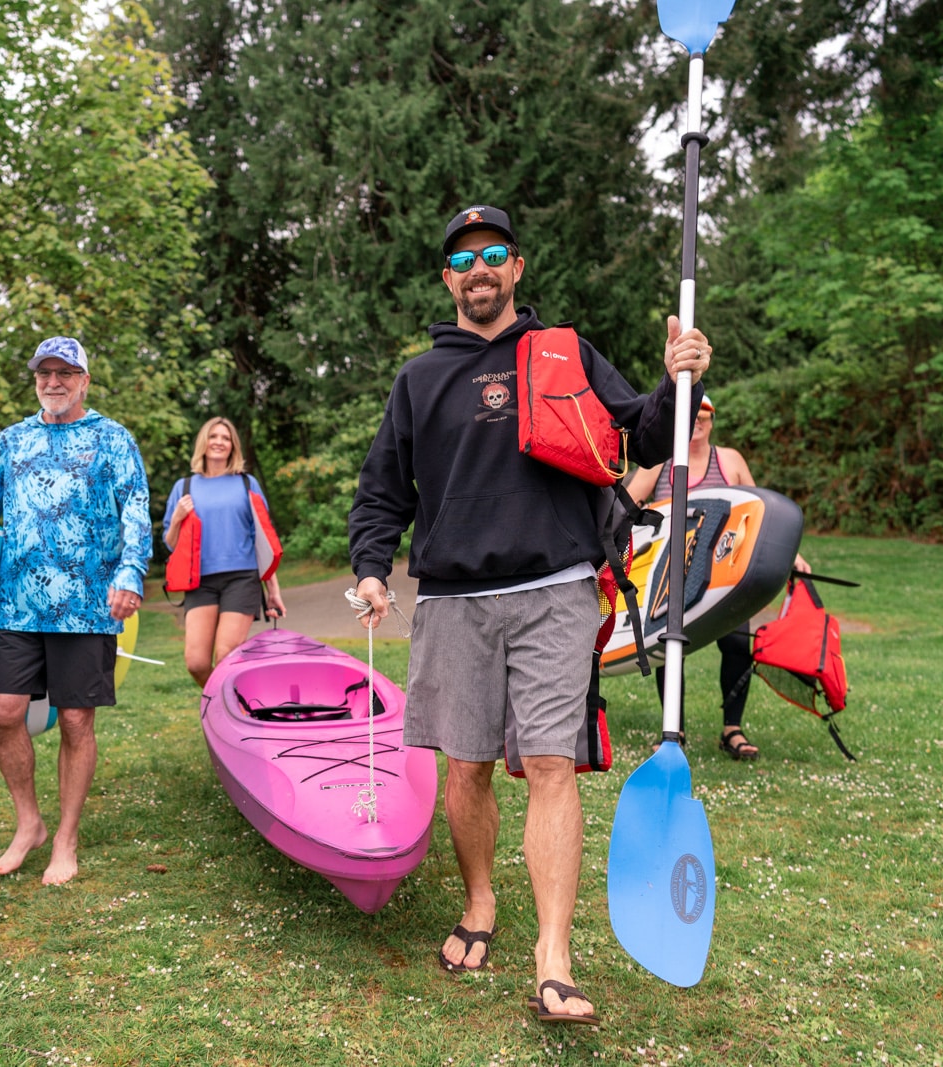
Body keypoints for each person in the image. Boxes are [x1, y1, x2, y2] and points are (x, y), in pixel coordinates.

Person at [347, 205, 713, 1024]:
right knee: (467, 765)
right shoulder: (418, 379)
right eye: (463, 258)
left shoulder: (565, 353)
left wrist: (677, 376)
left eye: (495, 254)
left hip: (554, 587)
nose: (480, 269)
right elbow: (382, 491)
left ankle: (554, 952)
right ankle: (480, 902)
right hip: (451, 599)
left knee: (550, 762)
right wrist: (372, 568)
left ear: (518, 268)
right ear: (448, 278)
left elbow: (645, 433)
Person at [0, 336, 151, 885]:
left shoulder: (112, 439)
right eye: (44, 373)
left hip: (86, 605)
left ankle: (65, 838)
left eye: (64, 373)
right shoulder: (11, 441)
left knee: (76, 719)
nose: (53, 382)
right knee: (2, 712)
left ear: (84, 381)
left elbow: (136, 510)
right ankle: (30, 823)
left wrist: (130, 572)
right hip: (16, 605)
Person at [625, 395, 810, 761]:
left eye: (704, 414)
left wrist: (794, 555)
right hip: (671, 576)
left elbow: (761, 514)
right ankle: (672, 730)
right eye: (691, 413)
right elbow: (624, 505)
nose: (697, 420)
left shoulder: (730, 461)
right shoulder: (661, 461)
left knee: (738, 645)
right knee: (671, 647)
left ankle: (732, 729)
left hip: (727, 571)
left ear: (712, 420)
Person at [162, 417, 287, 685]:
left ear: (233, 447)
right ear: (203, 443)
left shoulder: (246, 483)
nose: (219, 442)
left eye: (226, 438)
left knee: (226, 654)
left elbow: (262, 541)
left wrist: (273, 591)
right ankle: (227, 707)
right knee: (196, 662)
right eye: (214, 436)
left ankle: (231, 713)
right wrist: (176, 519)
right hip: (200, 582)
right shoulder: (183, 487)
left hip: (241, 578)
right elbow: (171, 544)